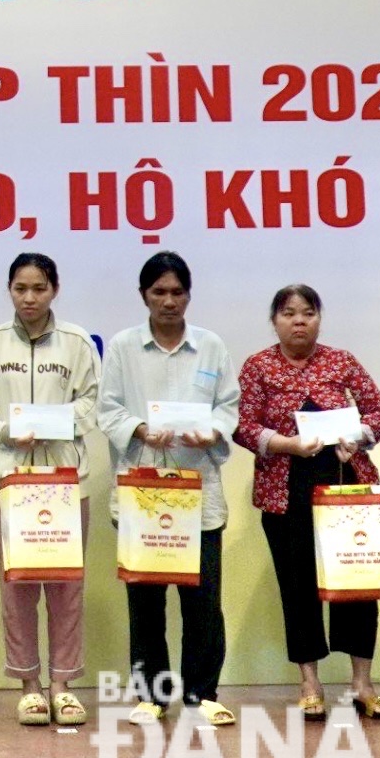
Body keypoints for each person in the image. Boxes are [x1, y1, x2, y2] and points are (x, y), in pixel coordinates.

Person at [232, 285, 380, 721]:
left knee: (358, 585)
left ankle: (362, 682)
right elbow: (243, 426)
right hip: (286, 492)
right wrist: (285, 443)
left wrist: (355, 438)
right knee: (298, 588)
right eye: (288, 313)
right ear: (275, 320)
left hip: (346, 487)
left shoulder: (341, 361)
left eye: (308, 313)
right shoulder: (258, 366)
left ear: (319, 318)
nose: (299, 321)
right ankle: (310, 682)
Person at [98, 251, 238, 726]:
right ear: (144, 296)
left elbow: (229, 407)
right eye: (159, 292)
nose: (169, 301)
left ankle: (203, 694)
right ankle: (151, 695)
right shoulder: (122, 346)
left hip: (199, 491)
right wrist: (139, 429)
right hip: (144, 490)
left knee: (203, 602)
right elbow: (108, 409)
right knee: (146, 601)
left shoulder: (211, 346)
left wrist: (213, 431)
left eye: (177, 292)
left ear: (189, 296)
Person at [0, 253, 98, 727]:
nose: (29, 298)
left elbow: (92, 402)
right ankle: (28, 686)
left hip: (66, 480)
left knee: (66, 588)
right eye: (20, 288)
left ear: (54, 290)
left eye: (39, 288)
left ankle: (63, 685)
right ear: (9, 290)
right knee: (16, 588)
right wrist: (6, 431)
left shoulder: (77, 343)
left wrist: (58, 425)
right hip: (12, 482)